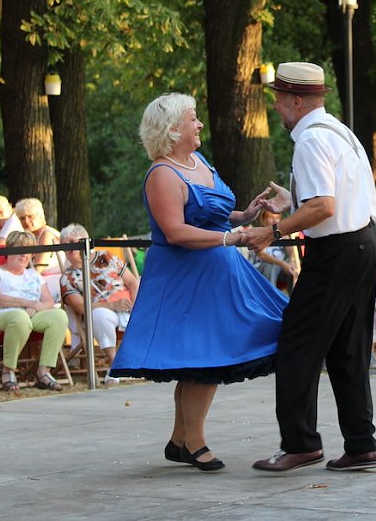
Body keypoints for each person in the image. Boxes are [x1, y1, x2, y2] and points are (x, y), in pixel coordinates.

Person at [109, 92, 286, 473]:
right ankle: (194, 442)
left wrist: (246, 214)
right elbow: (175, 232)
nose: (199, 124)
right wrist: (233, 238)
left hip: (218, 275)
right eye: (193, 118)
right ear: (173, 129)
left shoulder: (198, 161)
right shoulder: (162, 174)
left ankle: (179, 440)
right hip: (185, 278)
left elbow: (217, 216)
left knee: (204, 358)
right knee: (201, 359)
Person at [245, 62, 376, 473]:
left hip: (336, 251)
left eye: (280, 101)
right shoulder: (339, 132)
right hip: (364, 242)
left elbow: (324, 207)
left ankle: (301, 443)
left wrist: (274, 232)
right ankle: (361, 443)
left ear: (298, 100)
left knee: (297, 345)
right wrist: (295, 198)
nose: (276, 109)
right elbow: (332, 197)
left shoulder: (308, 142)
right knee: (348, 350)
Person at [0, 230, 68, 392]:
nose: (24, 255)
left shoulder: (33, 275)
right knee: (20, 316)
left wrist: (36, 308)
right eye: (19, 250)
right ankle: (8, 371)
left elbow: (48, 301)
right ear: (9, 250)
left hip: (30, 317)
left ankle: (43, 372)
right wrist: (28, 303)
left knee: (59, 316)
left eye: (28, 251)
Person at [59, 223, 140, 381]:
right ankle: (117, 365)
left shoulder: (106, 257)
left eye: (74, 242)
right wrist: (112, 305)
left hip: (127, 305)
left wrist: (137, 309)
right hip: (99, 310)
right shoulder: (67, 278)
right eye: (65, 244)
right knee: (99, 316)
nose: (70, 247)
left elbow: (132, 283)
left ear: (86, 241)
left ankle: (141, 362)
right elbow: (81, 307)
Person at [14, 198, 63, 302]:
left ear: (40, 215)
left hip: (55, 282)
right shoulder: (32, 237)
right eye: (22, 218)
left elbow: (38, 268)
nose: (26, 221)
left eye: (30, 216)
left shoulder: (47, 235)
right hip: (42, 281)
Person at [249, 210, 298, 292]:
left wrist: (291, 262)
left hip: (278, 270)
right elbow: (262, 255)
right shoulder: (258, 235)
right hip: (260, 269)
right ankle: (270, 297)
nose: (275, 221)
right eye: (271, 218)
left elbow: (291, 256)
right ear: (263, 221)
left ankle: (294, 300)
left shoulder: (283, 236)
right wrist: (282, 264)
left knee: (292, 270)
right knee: (270, 266)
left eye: (277, 218)